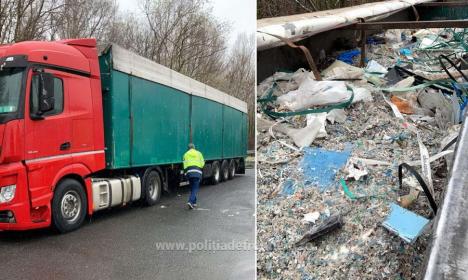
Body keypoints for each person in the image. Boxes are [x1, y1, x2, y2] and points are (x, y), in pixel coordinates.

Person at [183, 143, 205, 209]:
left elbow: (185, 165)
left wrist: (185, 174)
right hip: (197, 172)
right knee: (195, 188)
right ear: (194, 147)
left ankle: (194, 202)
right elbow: (202, 164)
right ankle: (190, 201)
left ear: (188, 148)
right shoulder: (199, 153)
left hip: (189, 172)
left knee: (192, 188)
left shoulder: (185, 154)